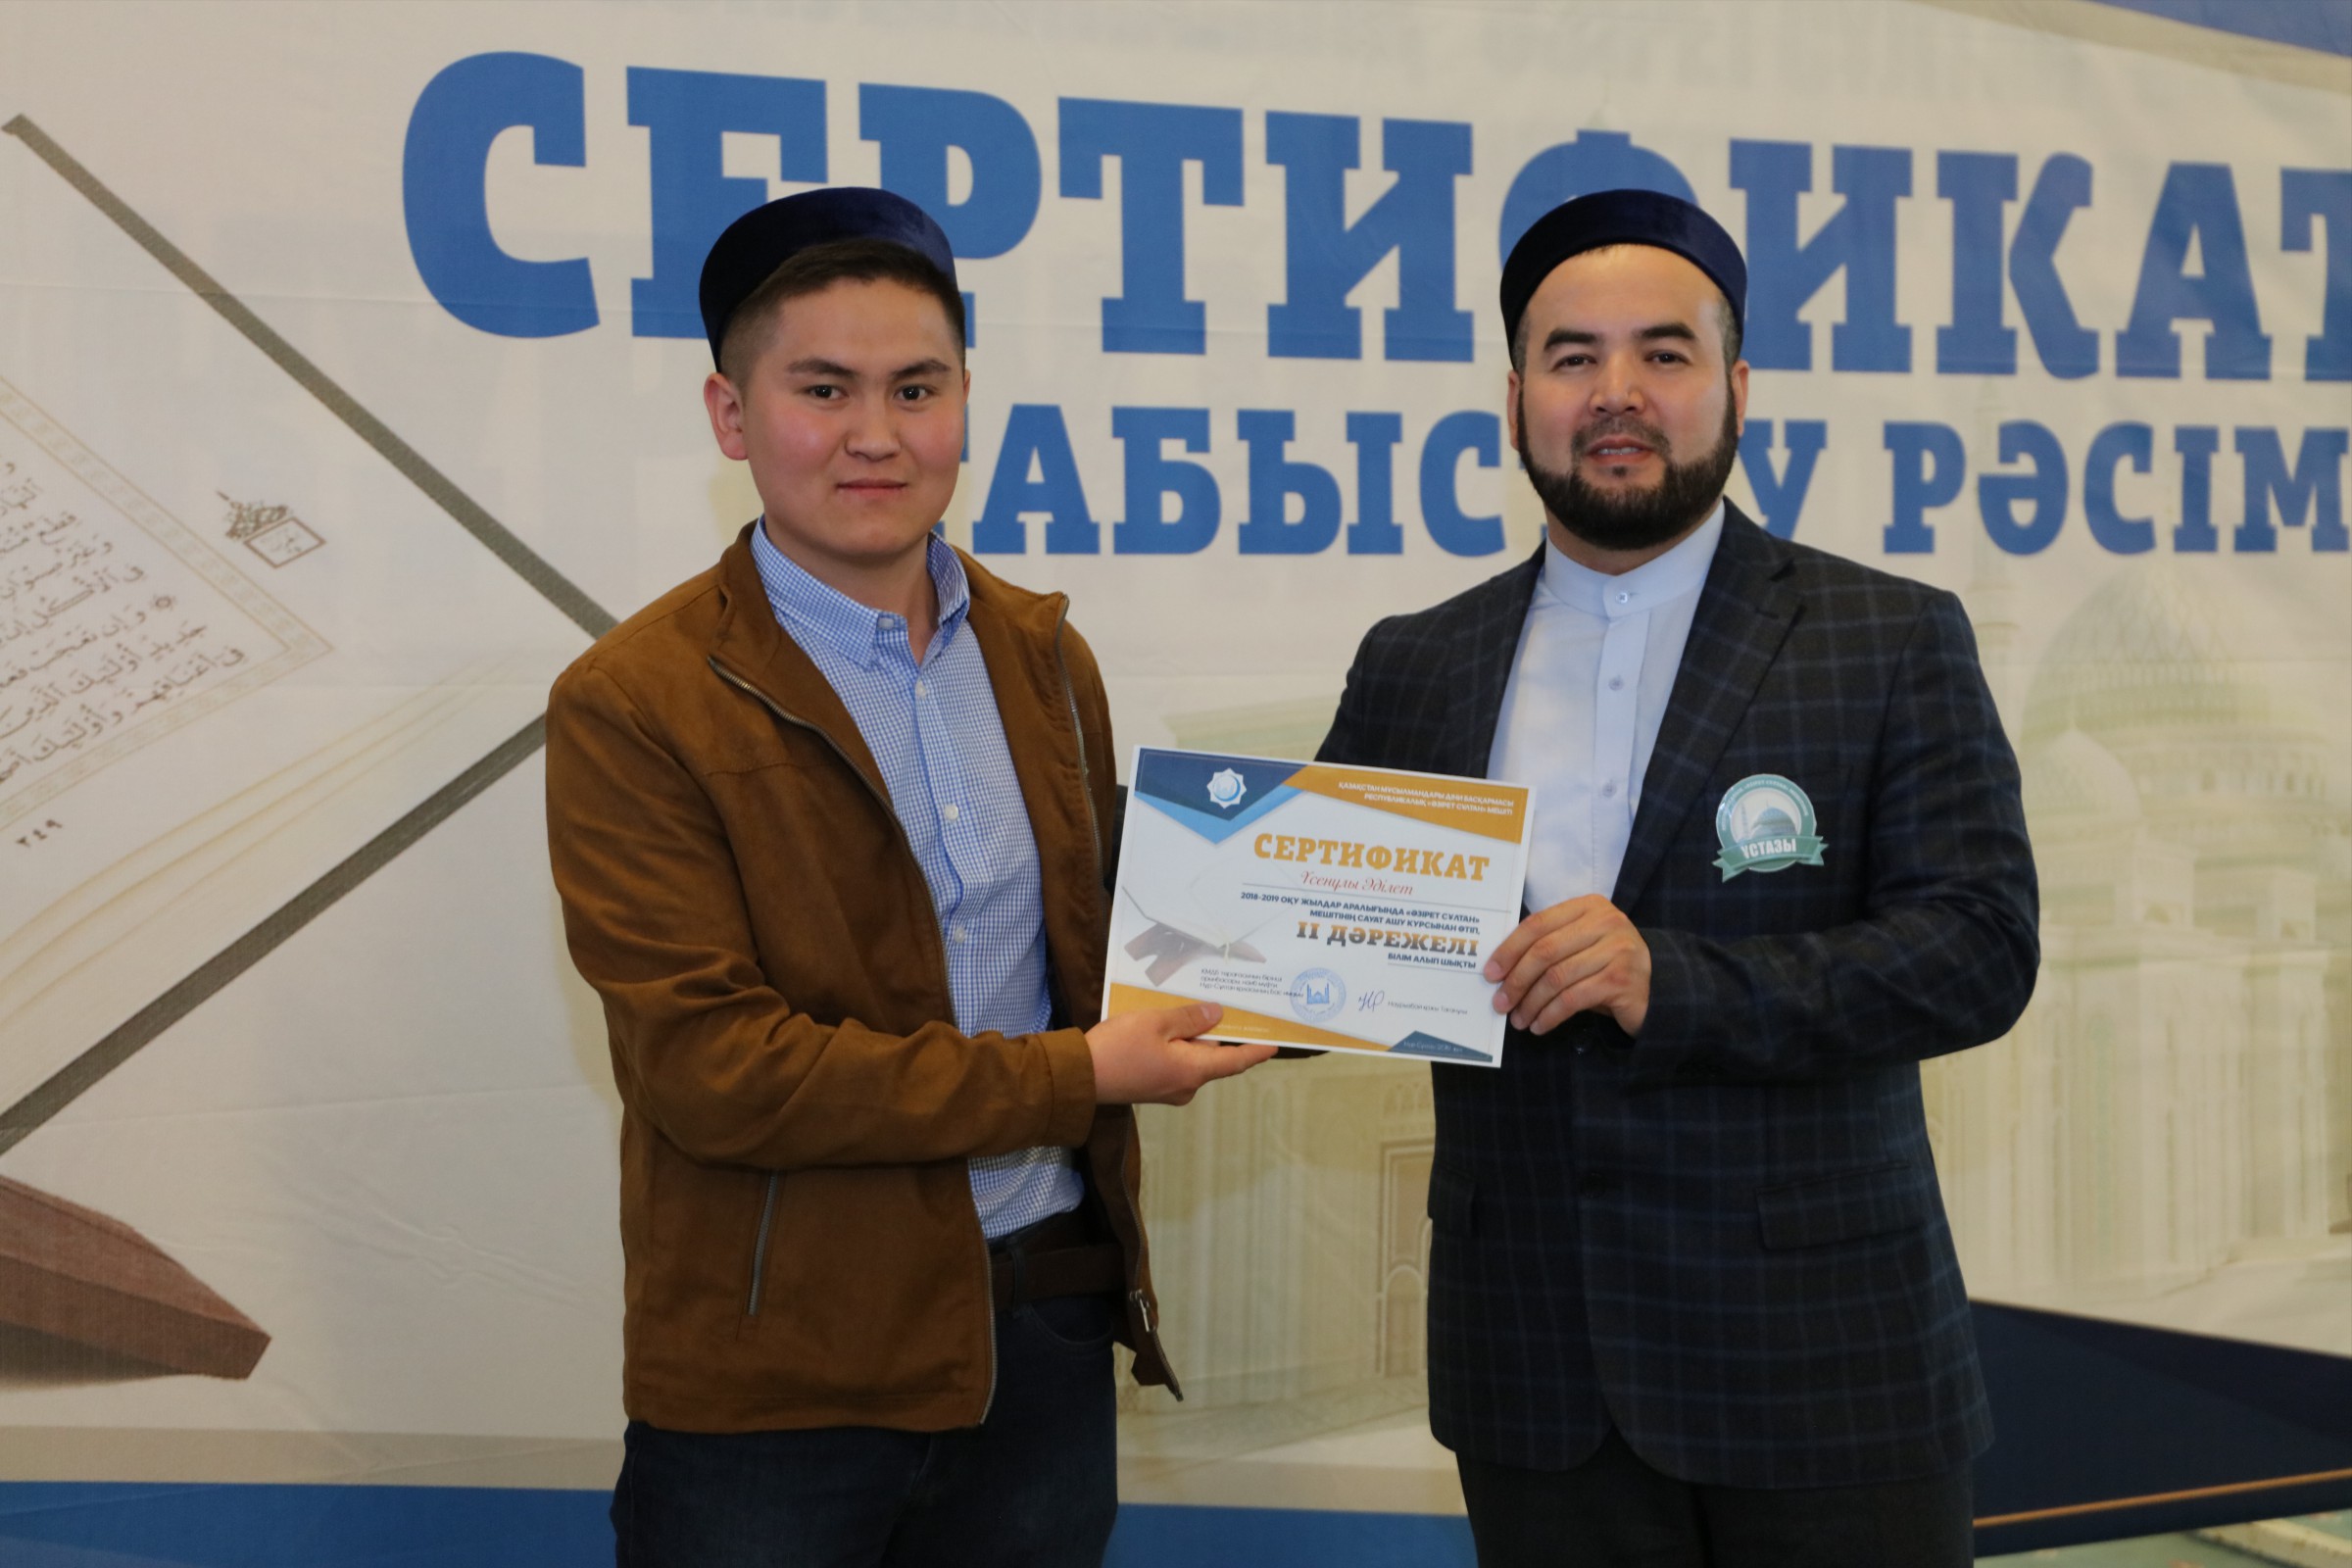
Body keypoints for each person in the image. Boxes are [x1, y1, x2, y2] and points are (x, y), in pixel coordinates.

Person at [544, 186, 1275, 1568]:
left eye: (917, 389)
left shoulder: (1045, 656)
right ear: (731, 415)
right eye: (824, 389)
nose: (877, 434)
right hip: (781, 1378)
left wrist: (1360, 942)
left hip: (1042, 1332)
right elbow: (714, 1070)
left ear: (965, 403)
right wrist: (1078, 1075)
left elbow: (1109, 940)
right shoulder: (635, 701)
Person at [1315, 189, 2038, 1567]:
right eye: (1572, 357)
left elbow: (1979, 949)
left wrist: (1676, 984)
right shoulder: (1417, 661)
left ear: (1737, 389)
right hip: (1538, 1374)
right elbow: (1332, 936)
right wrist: (1199, 964)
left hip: (1827, 1370)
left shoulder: (1887, 636)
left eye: (1664, 352)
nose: (1617, 393)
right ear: (1515, 400)